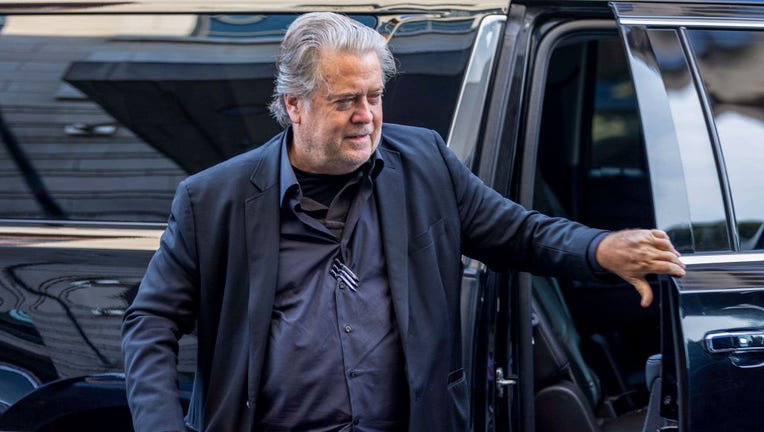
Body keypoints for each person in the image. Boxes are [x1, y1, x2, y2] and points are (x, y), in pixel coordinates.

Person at [121, 11, 685, 432]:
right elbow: (149, 322)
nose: (367, 116)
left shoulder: (424, 161)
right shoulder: (212, 198)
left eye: (375, 96)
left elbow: (518, 232)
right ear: (294, 104)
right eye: (346, 101)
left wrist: (600, 249)